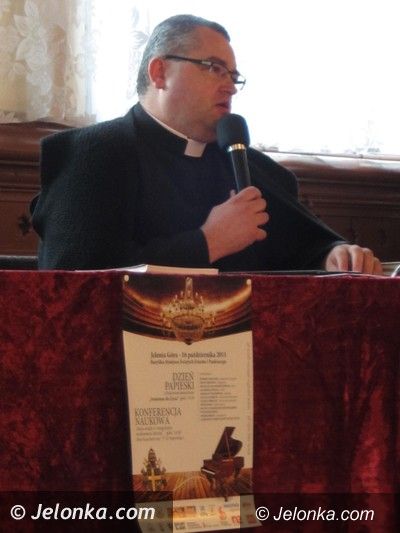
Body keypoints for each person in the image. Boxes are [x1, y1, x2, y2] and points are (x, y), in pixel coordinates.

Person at [31, 14, 382, 274]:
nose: (229, 86)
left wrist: (334, 254)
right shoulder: (96, 153)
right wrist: (207, 242)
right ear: (159, 73)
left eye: (234, 75)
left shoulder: (249, 166)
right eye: (213, 67)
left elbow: (302, 247)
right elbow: (71, 279)